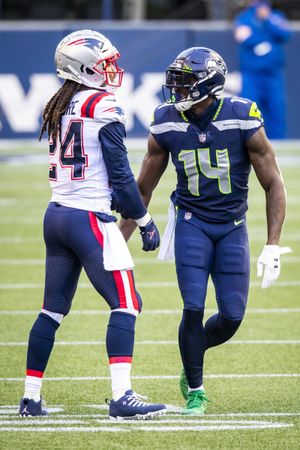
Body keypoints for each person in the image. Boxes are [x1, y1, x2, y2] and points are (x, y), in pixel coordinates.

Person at [118, 46, 291, 415]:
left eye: (184, 85)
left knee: (231, 317)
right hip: (191, 222)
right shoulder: (166, 120)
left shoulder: (241, 116)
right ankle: (196, 389)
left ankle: (192, 355)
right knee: (192, 306)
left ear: (208, 84)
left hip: (232, 227)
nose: (176, 92)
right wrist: (119, 240)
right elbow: (143, 189)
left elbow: (273, 183)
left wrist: (273, 244)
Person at [18, 29, 166, 420]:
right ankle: (122, 396)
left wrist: (116, 198)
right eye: (104, 63)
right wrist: (146, 220)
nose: (111, 69)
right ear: (84, 67)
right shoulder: (103, 105)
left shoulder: (59, 104)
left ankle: (30, 398)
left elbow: (95, 172)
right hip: (88, 220)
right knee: (127, 303)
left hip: (57, 216)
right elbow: (120, 175)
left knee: (52, 310)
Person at [234, 0, 291, 139]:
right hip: (252, 74)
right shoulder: (245, 17)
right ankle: (248, 140)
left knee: (276, 109)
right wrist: (266, 40)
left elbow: (285, 34)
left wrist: (267, 21)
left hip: (272, 74)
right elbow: (242, 37)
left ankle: (278, 142)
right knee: (249, 110)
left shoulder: (276, 16)